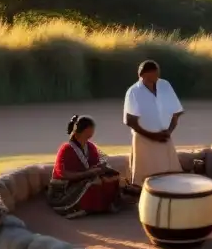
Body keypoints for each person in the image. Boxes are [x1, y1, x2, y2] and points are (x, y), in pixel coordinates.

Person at [47, 115, 123, 218]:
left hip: (84, 178)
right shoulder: (66, 149)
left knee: (110, 178)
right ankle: (78, 208)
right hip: (64, 187)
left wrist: (101, 168)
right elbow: (63, 174)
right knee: (92, 183)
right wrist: (87, 173)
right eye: (92, 128)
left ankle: (104, 206)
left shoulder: (90, 146)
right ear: (87, 129)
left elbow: (95, 164)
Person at [124, 60, 184, 189]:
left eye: (156, 73)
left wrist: (169, 131)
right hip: (143, 140)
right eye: (152, 74)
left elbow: (176, 112)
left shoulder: (165, 85)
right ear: (143, 75)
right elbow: (130, 121)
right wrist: (151, 136)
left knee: (169, 175)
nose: (156, 76)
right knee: (145, 178)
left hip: (164, 136)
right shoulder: (133, 91)